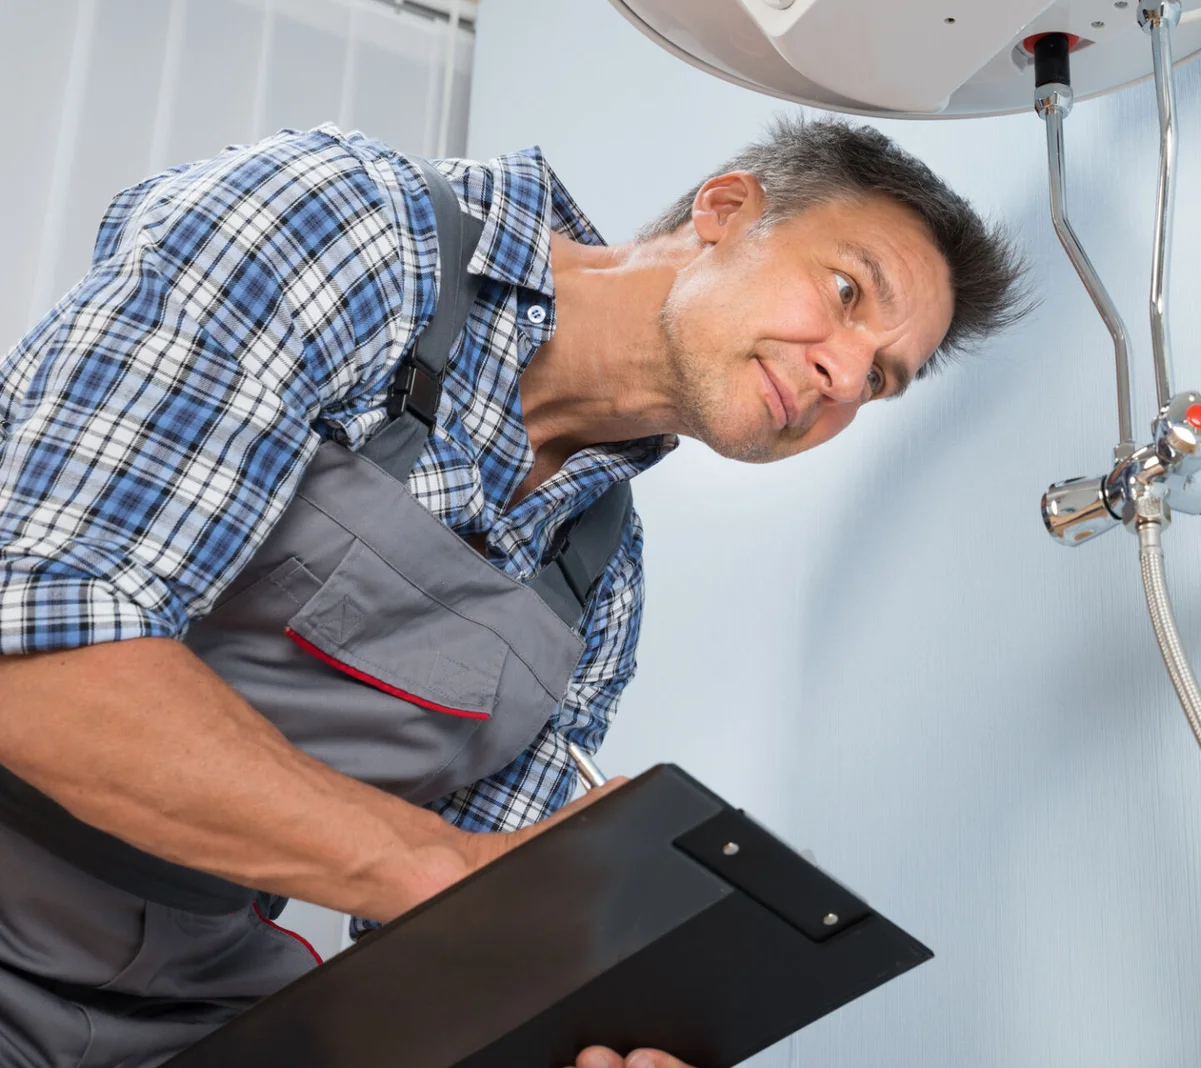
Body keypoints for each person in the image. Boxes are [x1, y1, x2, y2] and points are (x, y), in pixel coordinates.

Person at [0, 115, 1029, 1067]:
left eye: (881, 379)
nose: (845, 377)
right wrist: (433, 871)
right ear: (724, 212)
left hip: (185, 1004)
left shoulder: (595, 586)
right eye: (848, 295)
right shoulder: (348, 230)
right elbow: (36, 646)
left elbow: (456, 962)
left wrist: (566, 1019)